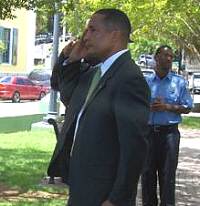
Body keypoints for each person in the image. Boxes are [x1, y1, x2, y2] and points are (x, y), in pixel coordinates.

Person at [48, 8, 150, 206]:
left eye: (92, 30)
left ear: (114, 36)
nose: (85, 38)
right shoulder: (95, 73)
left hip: (103, 194)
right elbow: (69, 97)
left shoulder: (129, 79)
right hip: (81, 186)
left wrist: (116, 199)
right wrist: (72, 61)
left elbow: (134, 149)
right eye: (86, 31)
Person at [141, 45, 194, 206]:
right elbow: (135, 104)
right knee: (148, 174)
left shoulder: (179, 82)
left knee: (168, 175)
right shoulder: (146, 82)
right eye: (165, 55)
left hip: (170, 135)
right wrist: (148, 106)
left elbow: (187, 107)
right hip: (148, 134)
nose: (169, 59)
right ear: (156, 58)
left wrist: (167, 107)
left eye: (171, 56)